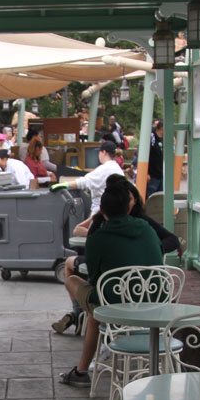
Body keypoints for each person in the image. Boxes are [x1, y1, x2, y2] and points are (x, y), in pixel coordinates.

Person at [58, 180, 163, 386]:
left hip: (115, 305)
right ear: (129, 206)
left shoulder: (98, 238)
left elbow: (95, 279)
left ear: (102, 210)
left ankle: (81, 370)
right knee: (97, 308)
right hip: (154, 302)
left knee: (77, 287)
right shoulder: (148, 228)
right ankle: (81, 367)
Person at [52, 176, 180, 334]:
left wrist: (148, 249)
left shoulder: (103, 233)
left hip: (115, 300)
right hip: (154, 298)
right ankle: (85, 321)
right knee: (96, 305)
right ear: (127, 206)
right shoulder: (146, 228)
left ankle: (87, 323)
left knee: (94, 306)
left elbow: (95, 275)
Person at [58, 141, 124, 216]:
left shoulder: (105, 169)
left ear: (104, 152)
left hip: (101, 213)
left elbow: (84, 182)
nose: (98, 155)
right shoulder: (117, 168)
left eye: (99, 152)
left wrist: (65, 184)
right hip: (115, 210)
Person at [147, 119, 165, 197]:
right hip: (152, 175)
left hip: (162, 174)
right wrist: (146, 173)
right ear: (162, 128)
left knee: (160, 198)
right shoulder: (151, 139)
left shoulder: (166, 139)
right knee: (151, 197)